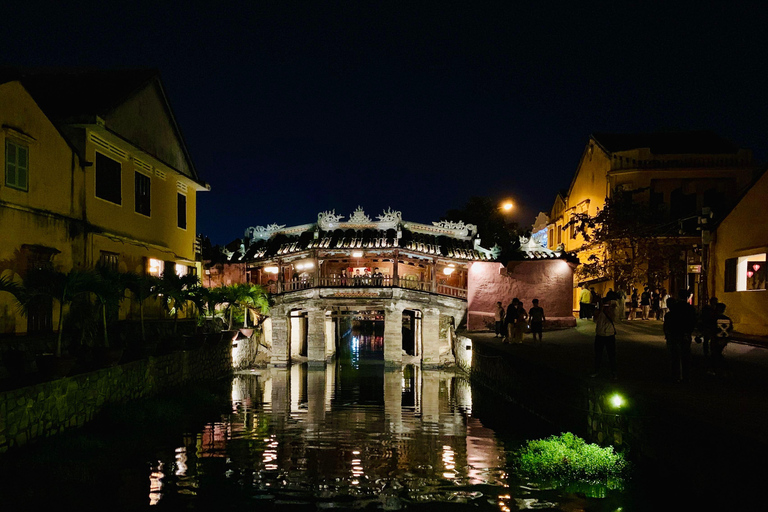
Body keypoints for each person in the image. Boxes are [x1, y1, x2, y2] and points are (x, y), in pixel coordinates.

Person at [663, 291, 698, 383]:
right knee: (685, 355)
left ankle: (675, 376)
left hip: (675, 333)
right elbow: (694, 321)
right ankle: (686, 376)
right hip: (686, 334)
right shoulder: (690, 309)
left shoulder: (675, 307)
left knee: (675, 356)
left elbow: (670, 320)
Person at [591, 297, 618, 380]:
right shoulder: (600, 312)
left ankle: (614, 372)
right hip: (600, 335)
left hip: (609, 335)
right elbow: (595, 320)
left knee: (611, 355)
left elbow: (615, 318)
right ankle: (596, 371)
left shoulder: (612, 311)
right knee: (598, 354)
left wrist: (611, 306)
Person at [709, 302, 733, 376]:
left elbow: (712, 329)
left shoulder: (714, 318)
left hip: (716, 338)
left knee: (715, 354)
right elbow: (730, 329)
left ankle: (718, 369)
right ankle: (723, 369)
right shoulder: (727, 319)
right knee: (718, 353)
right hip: (723, 339)